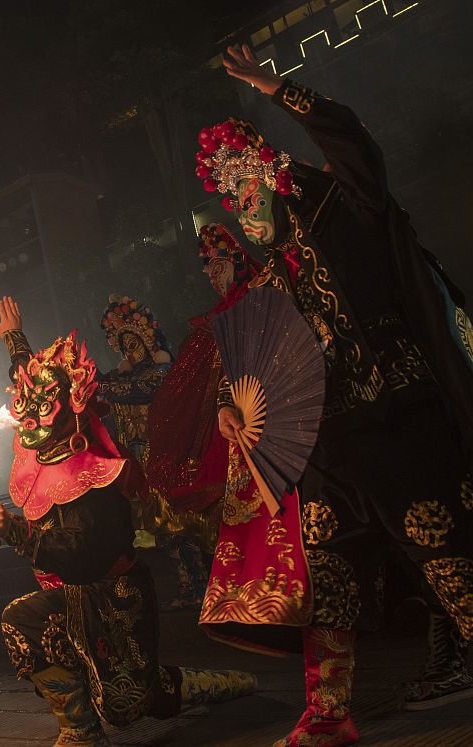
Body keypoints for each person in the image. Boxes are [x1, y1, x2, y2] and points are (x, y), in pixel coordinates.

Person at [192, 45, 473, 745]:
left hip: (398, 424)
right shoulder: (264, 283)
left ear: (277, 182)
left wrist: (275, 89)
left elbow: (354, 145)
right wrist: (227, 404)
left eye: (247, 195)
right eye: (232, 203)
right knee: (328, 580)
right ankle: (327, 712)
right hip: (325, 449)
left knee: (450, 559)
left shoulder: (349, 218)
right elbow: (248, 363)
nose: (242, 213)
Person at [0, 296, 256, 747]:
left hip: (116, 600)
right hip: (73, 598)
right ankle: (81, 729)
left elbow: (84, 554)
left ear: (72, 405)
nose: (27, 408)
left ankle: (203, 686)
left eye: (42, 401)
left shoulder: (97, 474)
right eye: (24, 399)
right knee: (25, 622)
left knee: (127, 701)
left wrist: (17, 531)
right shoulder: (41, 448)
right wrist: (15, 340)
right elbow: (33, 381)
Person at [97, 294, 211, 609]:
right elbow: (108, 396)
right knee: (160, 530)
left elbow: (138, 391)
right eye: (124, 348)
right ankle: (186, 587)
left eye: (133, 345)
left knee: (179, 524)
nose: (128, 353)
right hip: (139, 463)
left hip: (167, 456)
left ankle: (203, 586)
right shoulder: (121, 378)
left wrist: (100, 385)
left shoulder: (160, 372)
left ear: (147, 343)